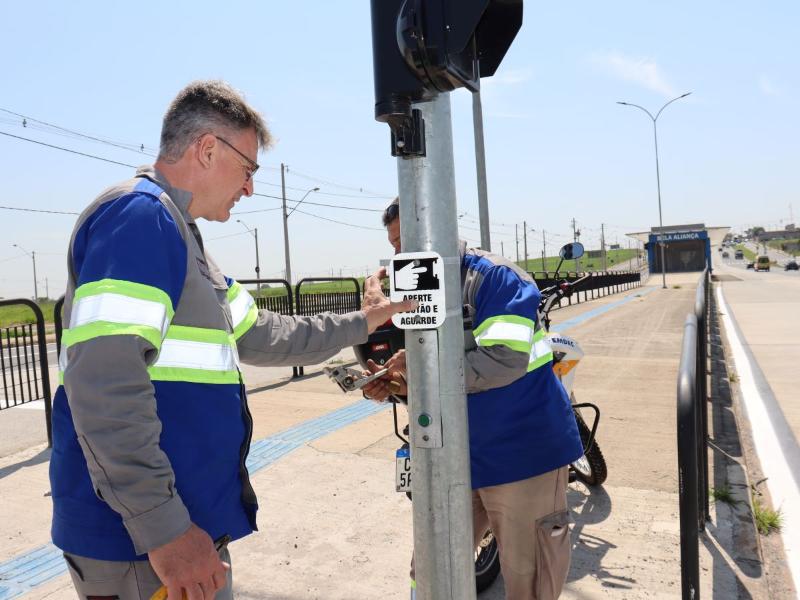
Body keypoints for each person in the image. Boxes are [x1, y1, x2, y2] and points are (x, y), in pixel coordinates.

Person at [50, 81, 414, 600]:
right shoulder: (139, 219)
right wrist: (165, 529)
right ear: (207, 150)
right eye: (249, 170)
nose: (250, 189)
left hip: (177, 525)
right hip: (142, 543)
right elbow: (103, 385)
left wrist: (366, 320)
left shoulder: (181, 236)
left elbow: (266, 333)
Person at [362, 198, 583, 600]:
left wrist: (421, 373)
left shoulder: (496, 279)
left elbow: (502, 361)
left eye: (404, 244)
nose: (398, 256)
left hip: (521, 456)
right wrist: (396, 381)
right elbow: (426, 361)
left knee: (530, 579)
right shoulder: (415, 286)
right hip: (452, 457)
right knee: (430, 568)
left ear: (439, 233)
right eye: (393, 246)